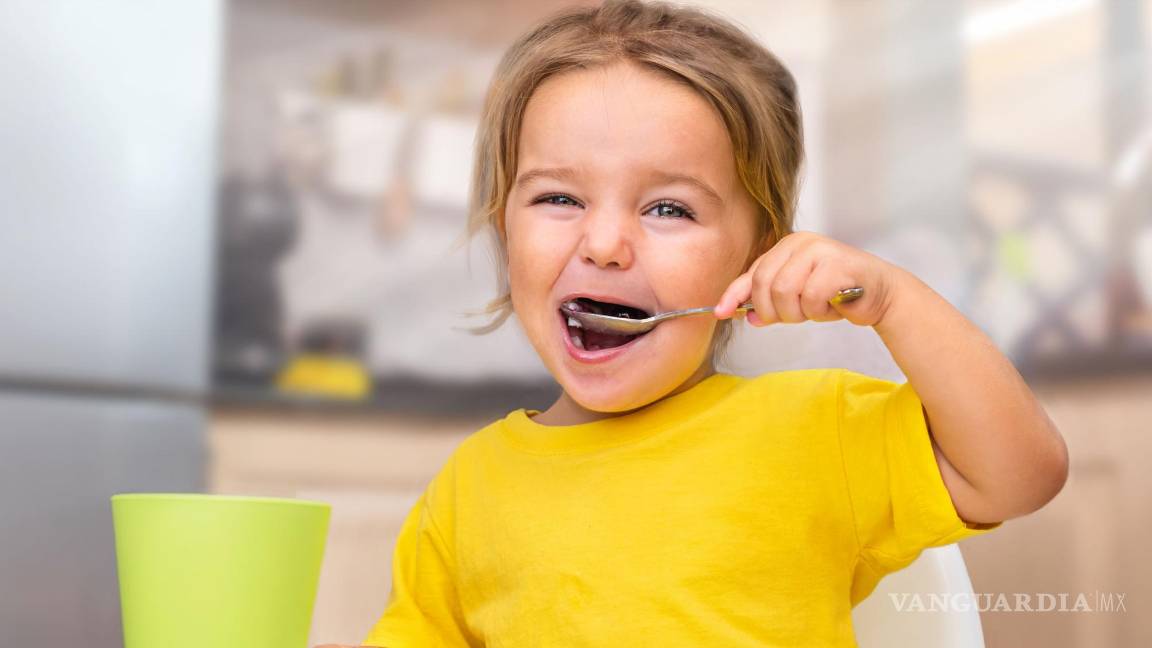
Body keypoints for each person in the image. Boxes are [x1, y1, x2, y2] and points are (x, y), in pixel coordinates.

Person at [319, 0, 1067, 645]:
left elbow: (1022, 473)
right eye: (558, 199)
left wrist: (895, 302)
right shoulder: (467, 488)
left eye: (668, 209)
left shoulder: (814, 432)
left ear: (756, 256)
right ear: (502, 227)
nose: (605, 245)